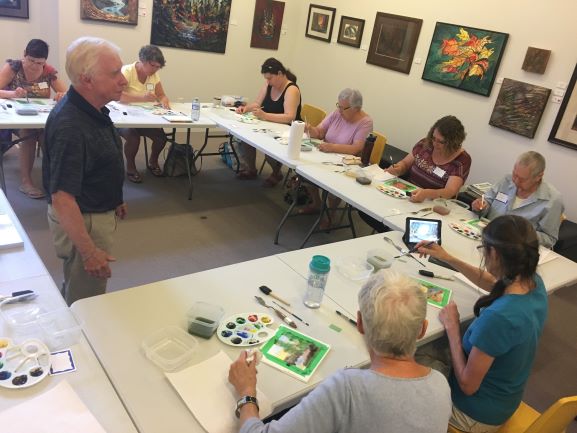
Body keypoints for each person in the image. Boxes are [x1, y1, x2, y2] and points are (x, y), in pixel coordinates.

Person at [228, 270, 451, 433]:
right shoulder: (441, 384)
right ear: (422, 329)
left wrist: (246, 392)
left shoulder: (347, 389)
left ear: (360, 323)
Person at [416, 215, 547, 432]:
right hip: (504, 398)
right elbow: (495, 283)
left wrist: (452, 327)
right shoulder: (533, 281)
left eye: (483, 248)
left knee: (405, 361)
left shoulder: (501, 317)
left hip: (474, 414)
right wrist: (449, 258)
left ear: (494, 254)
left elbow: (467, 385)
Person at [43, 37, 128, 306]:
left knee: (75, 282)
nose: (123, 80)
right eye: (115, 74)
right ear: (87, 79)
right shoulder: (71, 126)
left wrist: (115, 197)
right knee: (86, 300)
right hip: (85, 220)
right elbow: (62, 199)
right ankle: (77, 344)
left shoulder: (92, 108)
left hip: (95, 208)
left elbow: (97, 161)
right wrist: (90, 253)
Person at [360, 115, 471, 232]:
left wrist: (426, 193)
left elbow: (449, 192)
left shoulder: (461, 160)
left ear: (454, 142)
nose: (435, 144)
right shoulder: (425, 144)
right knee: (367, 210)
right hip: (407, 196)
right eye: (433, 138)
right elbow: (405, 164)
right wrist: (397, 168)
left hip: (430, 207)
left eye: (441, 142)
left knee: (398, 227)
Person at [0, 39, 67, 199]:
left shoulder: (48, 72)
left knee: (49, 135)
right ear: (24, 54)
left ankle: (54, 180)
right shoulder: (13, 67)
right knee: (28, 133)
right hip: (15, 117)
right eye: (31, 61)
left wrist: (61, 95)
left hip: (40, 117)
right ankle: (26, 181)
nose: (35, 66)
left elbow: (66, 93)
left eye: (40, 63)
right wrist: (12, 94)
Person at [300, 88, 373, 227]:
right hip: (325, 156)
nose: (339, 110)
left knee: (332, 183)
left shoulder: (365, 122)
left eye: (343, 108)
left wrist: (332, 147)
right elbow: (320, 132)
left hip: (345, 164)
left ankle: (331, 214)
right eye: (338, 106)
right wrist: (309, 129)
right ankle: (317, 203)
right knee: (303, 169)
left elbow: (356, 149)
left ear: (356, 108)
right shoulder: (337, 113)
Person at [472, 151, 563, 249]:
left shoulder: (553, 200)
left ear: (538, 176)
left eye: (523, 179)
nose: (515, 181)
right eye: (515, 175)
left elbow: (550, 239)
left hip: (516, 250)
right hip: (485, 238)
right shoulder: (506, 180)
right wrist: (480, 206)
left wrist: (522, 234)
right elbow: (487, 202)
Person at [236, 58, 302, 187]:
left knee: (269, 146)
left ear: (280, 74)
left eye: (270, 78)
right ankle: (251, 169)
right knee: (245, 139)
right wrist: (245, 108)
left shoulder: (291, 90)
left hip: (285, 130)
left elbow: (290, 117)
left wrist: (265, 115)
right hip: (268, 124)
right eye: (266, 79)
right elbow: (257, 103)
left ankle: (276, 172)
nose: (268, 81)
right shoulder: (268, 85)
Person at [118, 45, 170, 182]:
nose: (155, 70)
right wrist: (142, 98)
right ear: (142, 60)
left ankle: (153, 162)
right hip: (123, 117)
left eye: (158, 67)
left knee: (161, 138)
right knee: (133, 137)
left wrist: (164, 101)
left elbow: (161, 94)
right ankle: (130, 167)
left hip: (145, 117)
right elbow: (118, 95)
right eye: (152, 65)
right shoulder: (127, 71)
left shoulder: (154, 75)